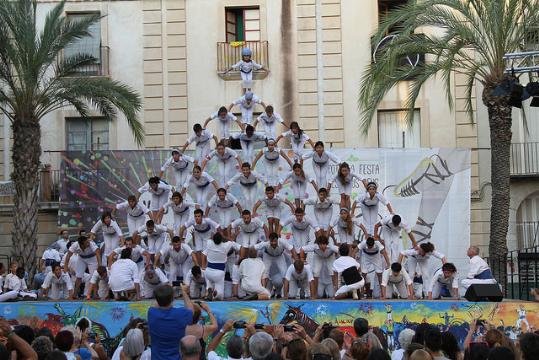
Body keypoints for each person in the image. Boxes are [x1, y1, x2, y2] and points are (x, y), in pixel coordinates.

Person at [148, 284, 194, 360]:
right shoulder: (181, 314)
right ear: (173, 299)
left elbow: (156, 304)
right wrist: (183, 291)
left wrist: (163, 292)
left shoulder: (151, 312)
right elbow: (191, 310)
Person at [202, 233, 241, 301]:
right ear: (221, 240)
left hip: (208, 271)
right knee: (219, 297)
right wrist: (223, 236)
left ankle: (209, 290)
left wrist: (216, 235)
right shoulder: (225, 246)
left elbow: (210, 237)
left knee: (209, 283)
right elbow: (231, 241)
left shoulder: (209, 243)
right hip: (218, 273)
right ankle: (215, 293)